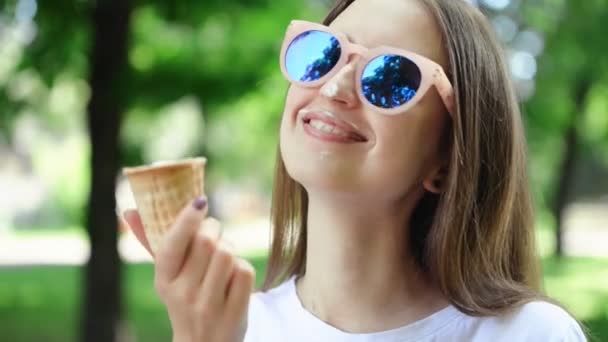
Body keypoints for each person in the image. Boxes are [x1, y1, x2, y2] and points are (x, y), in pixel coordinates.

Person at [123, 0, 588, 341]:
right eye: (322, 53)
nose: (336, 87)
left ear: (447, 156)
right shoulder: (232, 327)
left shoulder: (529, 334)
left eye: (390, 76)